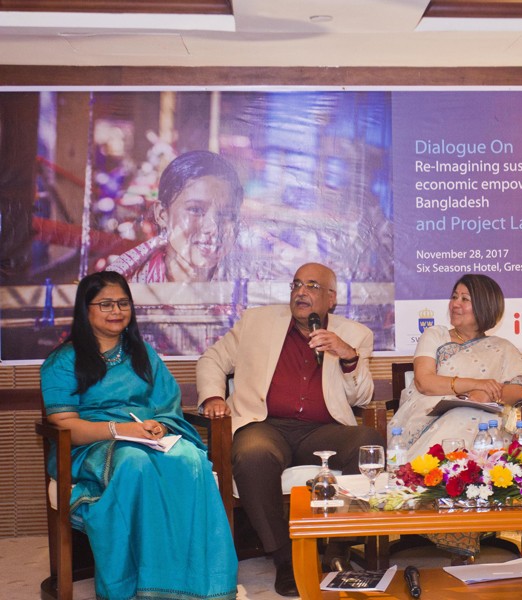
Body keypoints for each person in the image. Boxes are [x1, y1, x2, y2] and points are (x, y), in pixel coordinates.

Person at [40, 271, 237, 600]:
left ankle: (201, 585)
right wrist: (121, 431)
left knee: (193, 461)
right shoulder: (63, 361)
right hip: (94, 445)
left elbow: (167, 405)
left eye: (123, 303)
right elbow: (65, 425)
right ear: (84, 310)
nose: (116, 310)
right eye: (105, 304)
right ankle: (139, 586)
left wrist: (161, 425)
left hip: (148, 436)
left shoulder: (143, 354)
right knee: (135, 464)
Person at [196, 262, 382, 597]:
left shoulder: (354, 334)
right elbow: (212, 359)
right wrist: (213, 396)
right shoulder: (257, 322)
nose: (301, 292)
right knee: (253, 454)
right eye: (296, 284)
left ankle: (337, 548)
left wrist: (348, 356)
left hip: (322, 429)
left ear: (331, 299)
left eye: (312, 286)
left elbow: (362, 396)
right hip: (264, 424)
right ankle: (284, 558)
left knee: (368, 441)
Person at [388, 273, 522, 557]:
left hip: (481, 421)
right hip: (423, 418)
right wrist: (474, 385)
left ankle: (463, 518)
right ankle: (444, 512)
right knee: (465, 413)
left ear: (485, 307)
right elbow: (425, 381)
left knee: (474, 417)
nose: (455, 304)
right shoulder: (435, 335)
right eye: (454, 297)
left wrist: (491, 393)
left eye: (465, 299)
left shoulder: (501, 348)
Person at [107, 150, 243, 282]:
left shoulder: (254, 285)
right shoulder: (123, 288)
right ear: (162, 215)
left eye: (227, 214)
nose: (212, 228)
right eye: (195, 209)